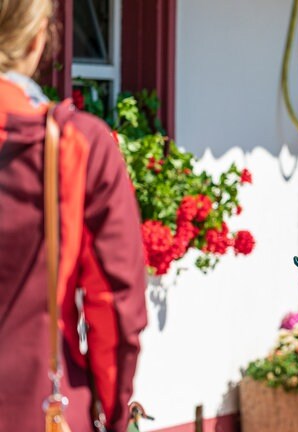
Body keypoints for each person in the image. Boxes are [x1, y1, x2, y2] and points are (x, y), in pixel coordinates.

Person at [0, 1, 147, 431]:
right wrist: (115, 412)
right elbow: (114, 305)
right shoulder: (74, 145)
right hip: (32, 407)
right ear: (37, 36)